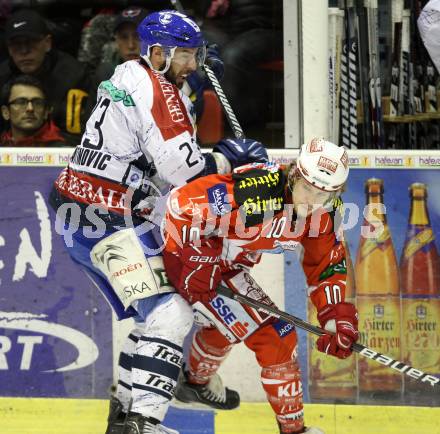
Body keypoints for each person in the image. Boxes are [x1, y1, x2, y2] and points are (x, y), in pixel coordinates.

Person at [49, 9, 268, 434]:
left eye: (196, 54)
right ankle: (144, 423)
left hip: (85, 213)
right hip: (103, 220)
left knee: (156, 314)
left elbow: (156, 136)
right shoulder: (158, 89)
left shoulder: (131, 72)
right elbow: (182, 168)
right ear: (157, 53)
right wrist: (229, 155)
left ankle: (124, 413)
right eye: (186, 55)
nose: (193, 63)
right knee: (171, 313)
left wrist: (191, 82)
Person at [162, 138, 359, 434]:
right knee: (277, 337)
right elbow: (180, 204)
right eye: (307, 189)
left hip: (225, 268)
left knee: (228, 324)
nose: (312, 201)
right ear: (293, 175)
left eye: (323, 194)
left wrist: (334, 315)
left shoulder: (324, 214)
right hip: (189, 257)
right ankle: (294, 430)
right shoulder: (260, 191)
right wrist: (196, 257)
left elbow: (326, 267)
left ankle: (194, 384)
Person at [0, 8, 89, 143]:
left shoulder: (73, 76)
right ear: (9, 49)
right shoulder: (2, 76)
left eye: (31, 42)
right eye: (16, 44)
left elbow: (76, 136)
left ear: (47, 43)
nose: (24, 51)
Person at [87, 6, 149, 109]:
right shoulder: (105, 75)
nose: (131, 45)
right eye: (124, 37)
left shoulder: (167, 74)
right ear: (116, 40)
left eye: (138, 36)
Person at [0, 74, 66, 147]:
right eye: (21, 102)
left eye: (37, 103)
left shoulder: (63, 152)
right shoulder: (2, 144)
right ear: (6, 112)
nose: (30, 108)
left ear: (46, 112)